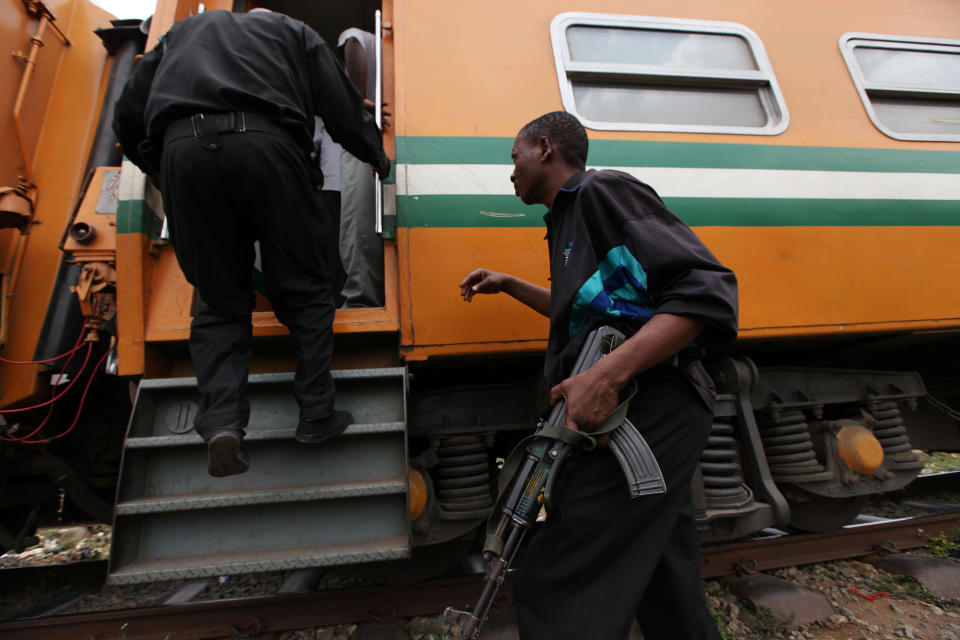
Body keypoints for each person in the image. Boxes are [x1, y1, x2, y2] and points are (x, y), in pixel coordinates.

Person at [459, 111, 738, 639]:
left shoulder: (602, 191)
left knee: (563, 574)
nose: (510, 170)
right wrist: (512, 284)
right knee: (662, 573)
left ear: (544, 148)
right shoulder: (565, 220)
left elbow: (707, 291)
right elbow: (590, 311)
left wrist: (606, 377)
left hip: (647, 403)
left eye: (513, 155)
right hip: (637, 405)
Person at [113, 9, 390, 477]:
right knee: (306, 287)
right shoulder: (293, 31)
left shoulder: (180, 34)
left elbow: (127, 112)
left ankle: (222, 424)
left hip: (183, 151)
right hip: (268, 146)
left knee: (219, 302)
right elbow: (339, 104)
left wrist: (157, 164)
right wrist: (375, 155)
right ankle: (317, 414)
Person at [337, 27, 385, 307]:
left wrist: (357, 100)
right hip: (375, 145)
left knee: (357, 227)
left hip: (360, 144)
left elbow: (352, 39)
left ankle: (360, 301)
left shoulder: (362, 38)